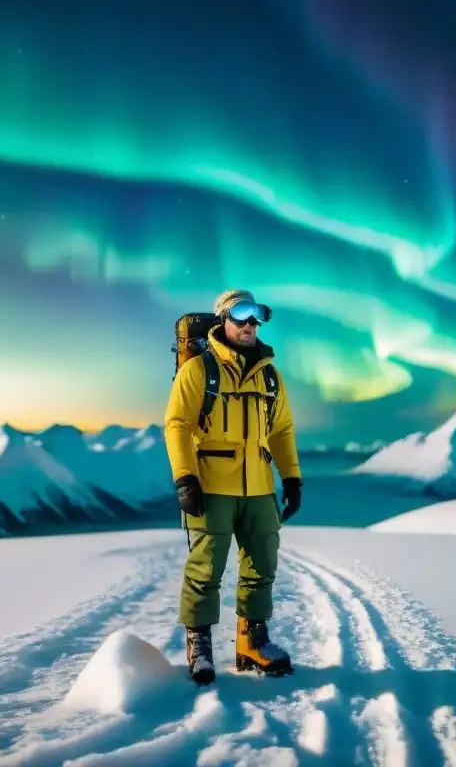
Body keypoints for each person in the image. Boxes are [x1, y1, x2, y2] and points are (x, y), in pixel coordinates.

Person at [164, 289, 303, 684]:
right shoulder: (200, 370)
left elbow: (281, 430)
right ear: (223, 318)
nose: (248, 324)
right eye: (240, 314)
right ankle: (200, 646)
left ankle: (251, 643)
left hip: (259, 488)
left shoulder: (270, 376)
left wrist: (291, 478)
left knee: (262, 566)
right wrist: (185, 477)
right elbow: (177, 424)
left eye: (255, 316)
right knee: (205, 569)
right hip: (211, 486)